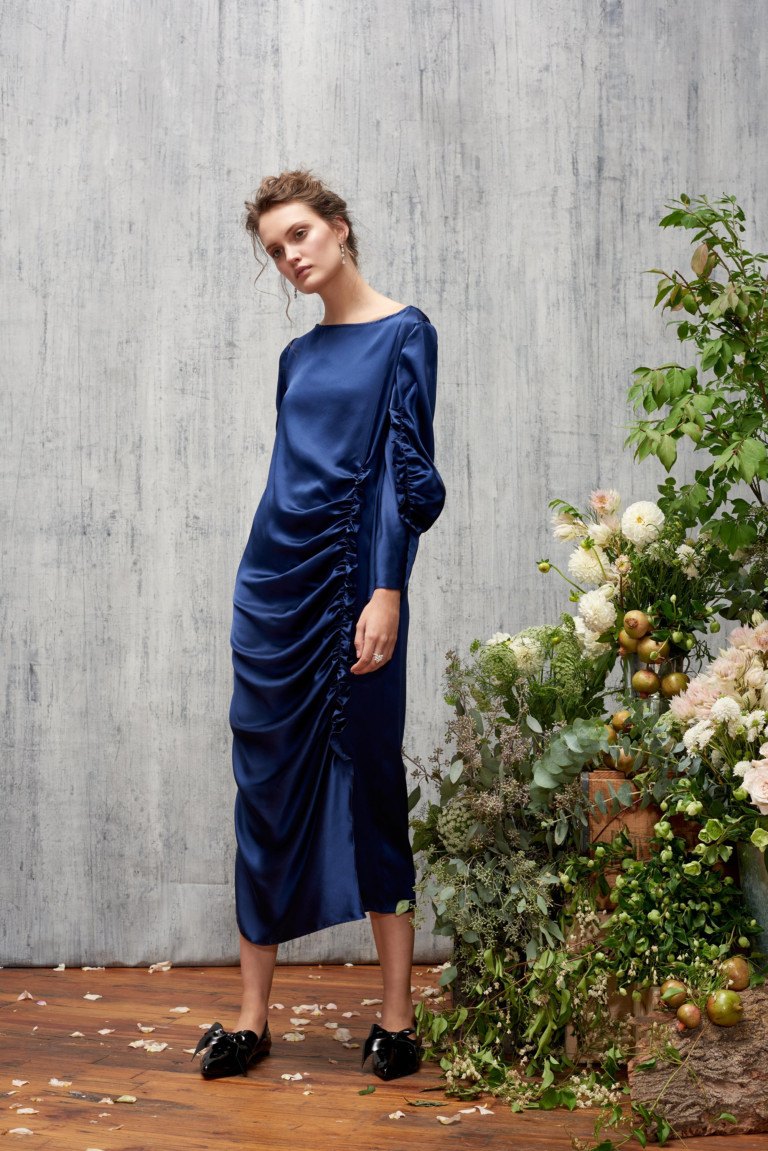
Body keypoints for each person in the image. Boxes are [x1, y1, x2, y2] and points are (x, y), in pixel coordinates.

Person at [192, 170, 445, 1082]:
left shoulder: (406, 333)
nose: (290, 255)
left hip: (350, 593)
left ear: (338, 227)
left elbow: (404, 478)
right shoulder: (296, 358)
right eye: (274, 248)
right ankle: (250, 1018)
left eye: (299, 233)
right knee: (261, 792)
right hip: (271, 592)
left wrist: (387, 591)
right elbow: (286, 480)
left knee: (372, 782)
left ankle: (397, 1017)